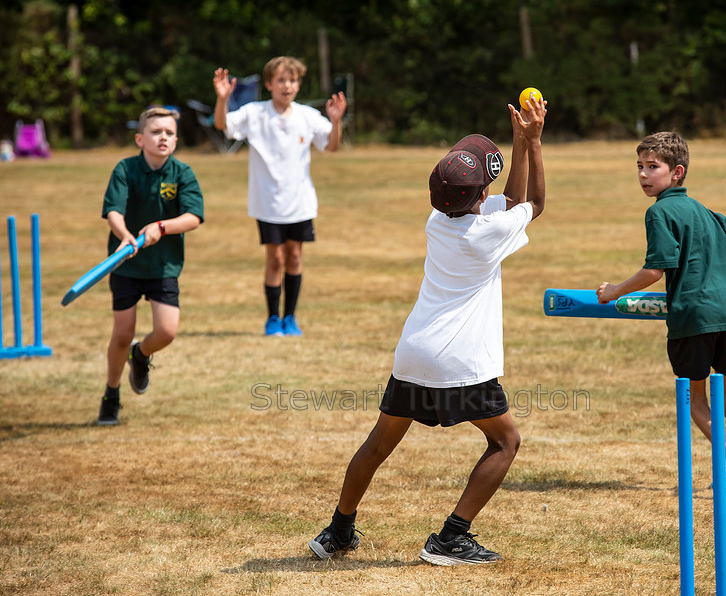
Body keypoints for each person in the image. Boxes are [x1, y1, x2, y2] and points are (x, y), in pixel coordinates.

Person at [307, 94, 547, 566]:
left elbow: (512, 202)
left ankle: (337, 531)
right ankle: (451, 538)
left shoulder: (439, 219)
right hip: (458, 360)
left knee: (377, 444)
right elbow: (532, 202)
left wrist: (520, 141)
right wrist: (533, 143)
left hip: (413, 353)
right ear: (479, 198)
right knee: (505, 442)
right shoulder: (485, 235)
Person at [596, 131, 726, 492]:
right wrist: (721, 285)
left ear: (676, 172)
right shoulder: (710, 213)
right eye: (640, 167)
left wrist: (614, 291)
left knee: (695, 398)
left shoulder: (659, 212)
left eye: (652, 167)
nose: (644, 175)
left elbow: (655, 270)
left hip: (692, 316)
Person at [212, 56, 347, 336]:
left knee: (295, 257)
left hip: (300, 202)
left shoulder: (307, 116)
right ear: (270, 84)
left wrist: (336, 122)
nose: (288, 86)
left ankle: (290, 318)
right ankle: (273, 318)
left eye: (294, 80)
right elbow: (222, 124)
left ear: (299, 85)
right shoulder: (255, 113)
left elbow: (331, 146)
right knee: (275, 259)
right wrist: (223, 99)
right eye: (282, 80)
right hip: (266, 201)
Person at [97, 107, 204, 426]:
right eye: (157, 132)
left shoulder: (182, 173)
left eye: (170, 133)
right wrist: (126, 237)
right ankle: (111, 395)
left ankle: (140, 355)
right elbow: (113, 211)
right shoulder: (125, 169)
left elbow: (193, 217)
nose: (164, 138)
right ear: (140, 139)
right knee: (121, 333)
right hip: (126, 265)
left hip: (163, 265)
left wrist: (161, 226)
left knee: (167, 331)